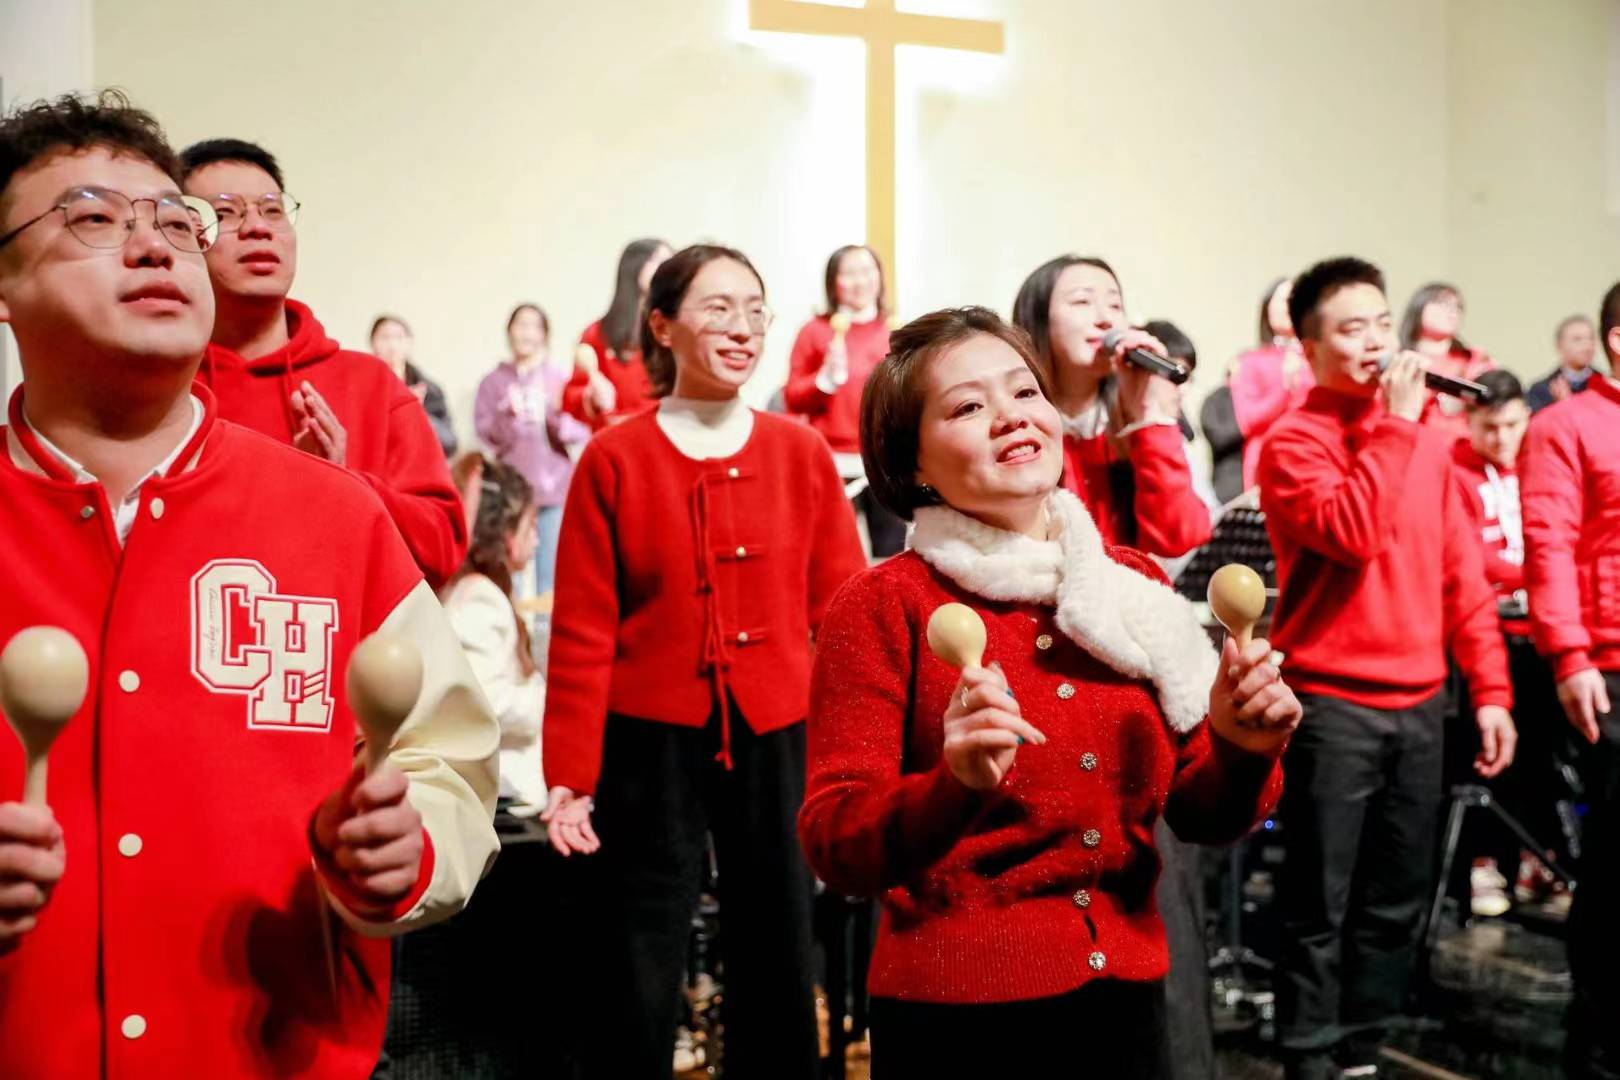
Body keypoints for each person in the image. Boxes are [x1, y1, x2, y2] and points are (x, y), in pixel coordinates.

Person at [0, 90, 499, 1078]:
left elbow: (451, 761)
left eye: (175, 224)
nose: (155, 248)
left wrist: (413, 848)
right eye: (93, 219)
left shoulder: (339, 516)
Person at [798, 305, 1299, 1079]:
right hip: (957, 1019)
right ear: (914, 461)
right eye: (969, 406)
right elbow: (836, 843)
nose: (1011, 417)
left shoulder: (1128, 584)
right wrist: (951, 787)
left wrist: (1241, 748)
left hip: (1126, 1001)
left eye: (1025, 392)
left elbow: (1202, 813)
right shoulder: (883, 604)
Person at [540, 244, 866, 1079]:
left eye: (756, 308)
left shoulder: (801, 454)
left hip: (778, 724)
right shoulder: (614, 457)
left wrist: (855, 751)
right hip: (649, 736)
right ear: (663, 326)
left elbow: (844, 616)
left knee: (780, 932)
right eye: (718, 307)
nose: (743, 326)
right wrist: (570, 775)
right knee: (639, 939)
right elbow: (582, 630)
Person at [1259, 257, 1515, 1080]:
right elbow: (1352, 530)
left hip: (1422, 701)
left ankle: (1364, 1047)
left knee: (1396, 900)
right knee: (1317, 904)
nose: (1373, 341)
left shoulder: (1429, 446)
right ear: (1308, 345)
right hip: (1332, 703)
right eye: (1350, 328)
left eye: (1379, 323)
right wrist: (1397, 426)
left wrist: (1492, 692)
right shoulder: (1295, 441)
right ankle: (1307, 1053)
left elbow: (1462, 578)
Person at [179, 138, 466, 588]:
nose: (258, 227)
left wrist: (344, 486)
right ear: (182, 235)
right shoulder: (161, 390)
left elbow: (442, 549)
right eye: (227, 212)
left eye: (273, 211)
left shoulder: (370, 384)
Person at [1521, 282, 1620, 1079]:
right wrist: (1570, 655)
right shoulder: (1564, 426)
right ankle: (1598, 1049)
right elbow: (1549, 545)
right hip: (1610, 666)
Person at [1011, 255, 1211, 558]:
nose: (1105, 319)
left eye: (1115, 306)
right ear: (1037, 321)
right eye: (1082, 302)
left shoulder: (1133, 425)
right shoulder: (1016, 427)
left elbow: (1178, 537)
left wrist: (1150, 416)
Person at [784, 243, 906, 556]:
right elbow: (793, 398)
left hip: (884, 461)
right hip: (832, 460)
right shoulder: (815, 332)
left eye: (867, 271)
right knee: (835, 553)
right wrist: (824, 379)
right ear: (832, 282)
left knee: (890, 554)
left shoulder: (896, 332)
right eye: (849, 273)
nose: (860, 281)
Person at [443, 453, 547, 813]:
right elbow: (484, 699)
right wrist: (545, 701)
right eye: (530, 527)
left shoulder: (481, 592)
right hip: (501, 792)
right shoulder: (480, 599)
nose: (537, 539)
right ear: (506, 536)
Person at [473, 303, 588, 597]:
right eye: (520, 325)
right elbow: (486, 433)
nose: (526, 332)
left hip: (555, 488)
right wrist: (506, 415)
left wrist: (553, 416)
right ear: (509, 331)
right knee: (511, 572)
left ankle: (546, 637)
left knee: (552, 576)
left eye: (534, 326)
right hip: (511, 493)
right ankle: (516, 636)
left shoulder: (559, 378)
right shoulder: (493, 382)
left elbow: (583, 429)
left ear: (544, 335)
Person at [561, 237, 672, 429]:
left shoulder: (675, 329)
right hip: (615, 440)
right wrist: (592, 397)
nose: (666, 270)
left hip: (664, 435)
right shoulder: (598, 333)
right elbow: (572, 396)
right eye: (659, 261)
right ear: (634, 266)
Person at [1229, 276, 1312, 491]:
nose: (1290, 306)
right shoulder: (1250, 361)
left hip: (1314, 458)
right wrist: (1285, 388)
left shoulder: (1319, 359)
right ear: (1268, 307)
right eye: (1283, 300)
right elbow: (1248, 421)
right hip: (1266, 461)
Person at [1399, 281, 1493, 440]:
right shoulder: (1400, 362)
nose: (1452, 312)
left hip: (1463, 450)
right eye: (1441, 303)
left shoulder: (1475, 361)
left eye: (1458, 307)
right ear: (1418, 308)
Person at [370, 314, 457, 457]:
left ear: (409, 342)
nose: (392, 344)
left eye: (398, 337)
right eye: (385, 337)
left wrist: (417, 413)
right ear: (373, 343)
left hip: (419, 466)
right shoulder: (364, 388)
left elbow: (449, 444)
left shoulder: (429, 389)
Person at [1527, 314, 1600, 414]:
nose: (1587, 346)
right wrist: (1560, 408)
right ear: (1559, 345)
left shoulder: (1606, 386)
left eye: (1591, 338)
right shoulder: (1541, 390)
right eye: (1577, 339)